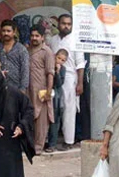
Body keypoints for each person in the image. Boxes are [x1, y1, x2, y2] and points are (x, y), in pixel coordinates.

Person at [47, 14, 86, 151]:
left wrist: (80, 83)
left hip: (70, 77)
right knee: (54, 108)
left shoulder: (76, 40)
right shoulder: (52, 40)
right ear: (58, 24)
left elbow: (80, 64)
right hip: (54, 76)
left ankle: (69, 141)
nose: (66, 26)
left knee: (69, 110)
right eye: (63, 23)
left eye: (69, 24)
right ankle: (51, 141)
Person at [27, 25, 54, 155]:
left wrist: (48, 91)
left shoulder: (47, 51)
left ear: (42, 37)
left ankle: (38, 148)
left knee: (41, 120)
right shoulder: (27, 50)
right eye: (32, 36)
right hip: (28, 90)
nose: (34, 38)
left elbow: (50, 73)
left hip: (41, 91)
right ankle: (30, 145)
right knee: (30, 117)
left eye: (37, 36)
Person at [0, 20, 30, 93]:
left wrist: (23, 89)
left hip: (16, 88)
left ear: (14, 32)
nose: (6, 33)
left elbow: (25, 70)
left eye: (8, 31)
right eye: (4, 31)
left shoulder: (21, 49)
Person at [46, 49, 68, 153]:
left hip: (57, 97)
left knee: (55, 121)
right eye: (58, 58)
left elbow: (59, 83)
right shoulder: (48, 65)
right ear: (55, 56)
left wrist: (57, 72)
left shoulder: (63, 69)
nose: (60, 61)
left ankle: (52, 144)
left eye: (63, 60)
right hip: (45, 94)